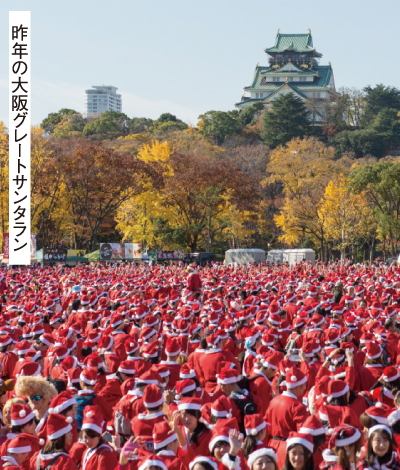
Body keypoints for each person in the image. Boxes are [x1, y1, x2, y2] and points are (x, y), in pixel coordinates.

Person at [80, 406, 118, 470]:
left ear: (99, 436)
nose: (88, 441)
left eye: (92, 437)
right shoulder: (87, 451)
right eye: (85, 437)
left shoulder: (105, 454)